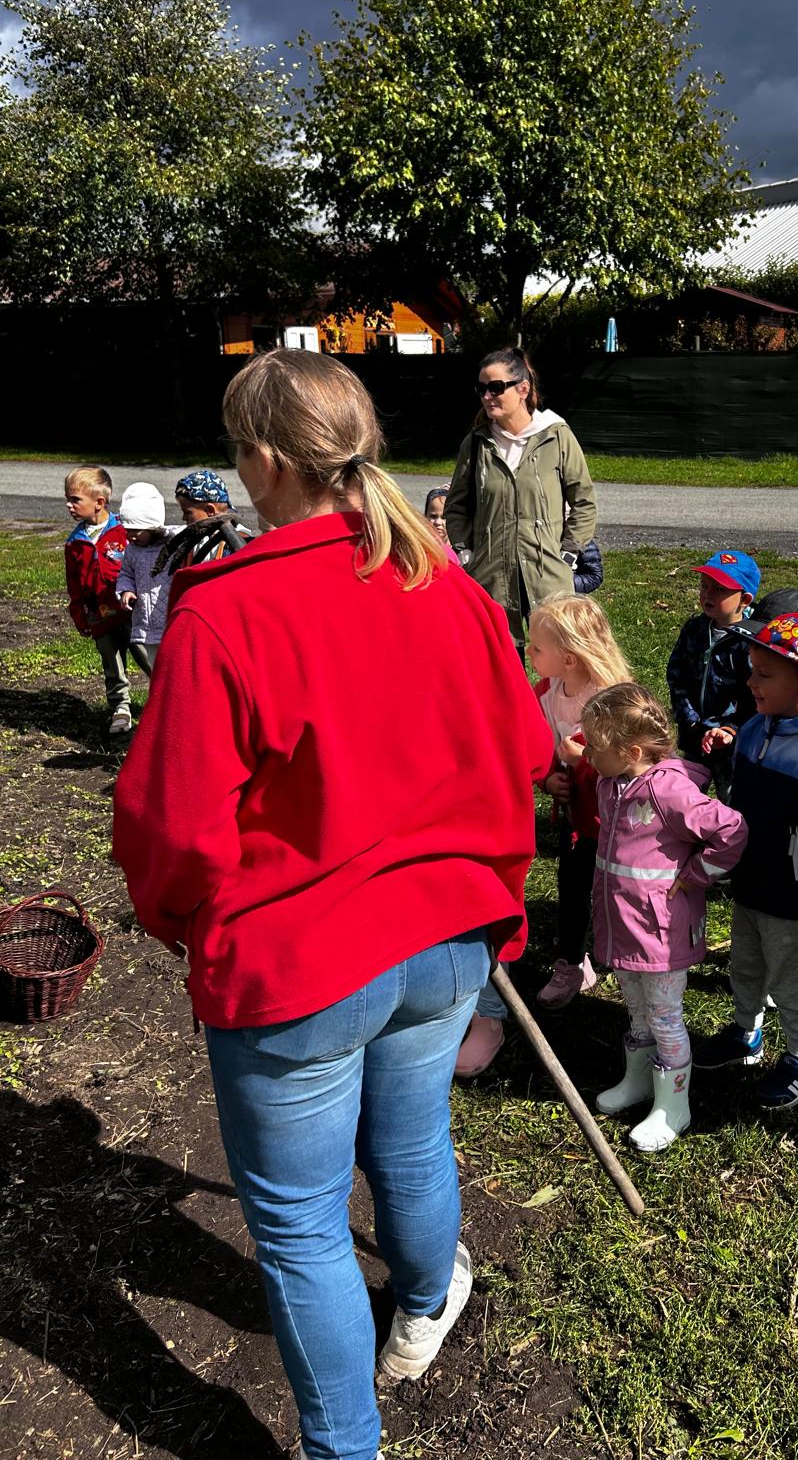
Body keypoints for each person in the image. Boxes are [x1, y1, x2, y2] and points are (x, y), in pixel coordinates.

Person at [113, 349, 554, 1460]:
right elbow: (529, 749)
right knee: (412, 1140)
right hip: (446, 935)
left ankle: (346, 1444)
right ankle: (423, 1305)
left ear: (264, 459)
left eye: (237, 450)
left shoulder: (227, 612)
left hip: (303, 962)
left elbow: (174, 826)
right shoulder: (445, 587)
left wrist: (178, 918)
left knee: (303, 1225)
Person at [691, 613, 798, 1108]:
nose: (750, 682)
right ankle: (746, 1032)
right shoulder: (756, 725)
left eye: (764, 674)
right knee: (746, 961)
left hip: (793, 889)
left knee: (792, 974)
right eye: (752, 670)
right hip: (750, 875)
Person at [585, 683, 747, 1151]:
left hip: (659, 931)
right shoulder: (611, 783)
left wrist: (697, 874)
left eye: (595, 746)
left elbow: (731, 829)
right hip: (625, 926)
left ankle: (673, 1106)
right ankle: (638, 1081)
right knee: (636, 1008)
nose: (587, 753)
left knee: (664, 1016)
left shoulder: (668, 791)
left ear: (631, 751)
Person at [443, 348, 597, 648]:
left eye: (496, 387)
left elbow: (584, 501)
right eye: (481, 389)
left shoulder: (556, 436)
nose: (487, 396)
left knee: (558, 656)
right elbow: (456, 506)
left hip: (547, 574)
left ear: (523, 389)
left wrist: (568, 552)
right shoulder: (475, 444)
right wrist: (465, 553)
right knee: (503, 659)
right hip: (491, 578)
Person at [527, 592, 632, 1011]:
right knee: (572, 888)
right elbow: (536, 744)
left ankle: (634, 961)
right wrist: (548, 778)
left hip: (618, 821)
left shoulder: (609, 700)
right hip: (578, 821)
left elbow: (630, 763)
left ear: (569, 658)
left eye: (537, 648)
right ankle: (572, 964)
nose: (529, 653)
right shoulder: (546, 691)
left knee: (618, 891)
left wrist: (583, 760)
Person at [666, 550, 761, 794]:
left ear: (744, 599)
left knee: (732, 795)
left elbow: (754, 696)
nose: (708, 594)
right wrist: (688, 717)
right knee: (685, 794)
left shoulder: (751, 642)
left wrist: (731, 729)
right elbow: (676, 673)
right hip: (694, 732)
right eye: (704, 585)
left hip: (729, 741)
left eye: (720, 589)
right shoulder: (694, 629)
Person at [63, 465, 131, 735]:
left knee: (147, 655)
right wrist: (80, 615)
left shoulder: (124, 531)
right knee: (112, 663)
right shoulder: (74, 543)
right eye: (67, 499)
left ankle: (166, 702)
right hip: (98, 615)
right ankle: (120, 708)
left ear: (99, 502)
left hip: (130, 610)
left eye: (75, 499)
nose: (69, 505)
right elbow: (74, 585)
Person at [115, 483, 176, 676]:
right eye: (128, 531)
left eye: (136, 531)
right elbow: (126, 573)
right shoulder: (132, 551)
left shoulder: (173, 545)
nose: (131, 536)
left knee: (174, 666)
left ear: (153, 526)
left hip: (169, 619)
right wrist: (126, 590)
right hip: (146, 622)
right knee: (156, 669)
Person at [173, 468, 253, 565]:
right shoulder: (194, 538)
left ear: (210, 510)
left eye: (187, 512)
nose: (184, 518)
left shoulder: (235, 543)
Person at [423, 486, 461, 566]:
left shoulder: (460, 552)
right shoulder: (422, 550)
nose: (438, 522)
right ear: (425, 517)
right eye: (433, 516)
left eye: (444, 517)